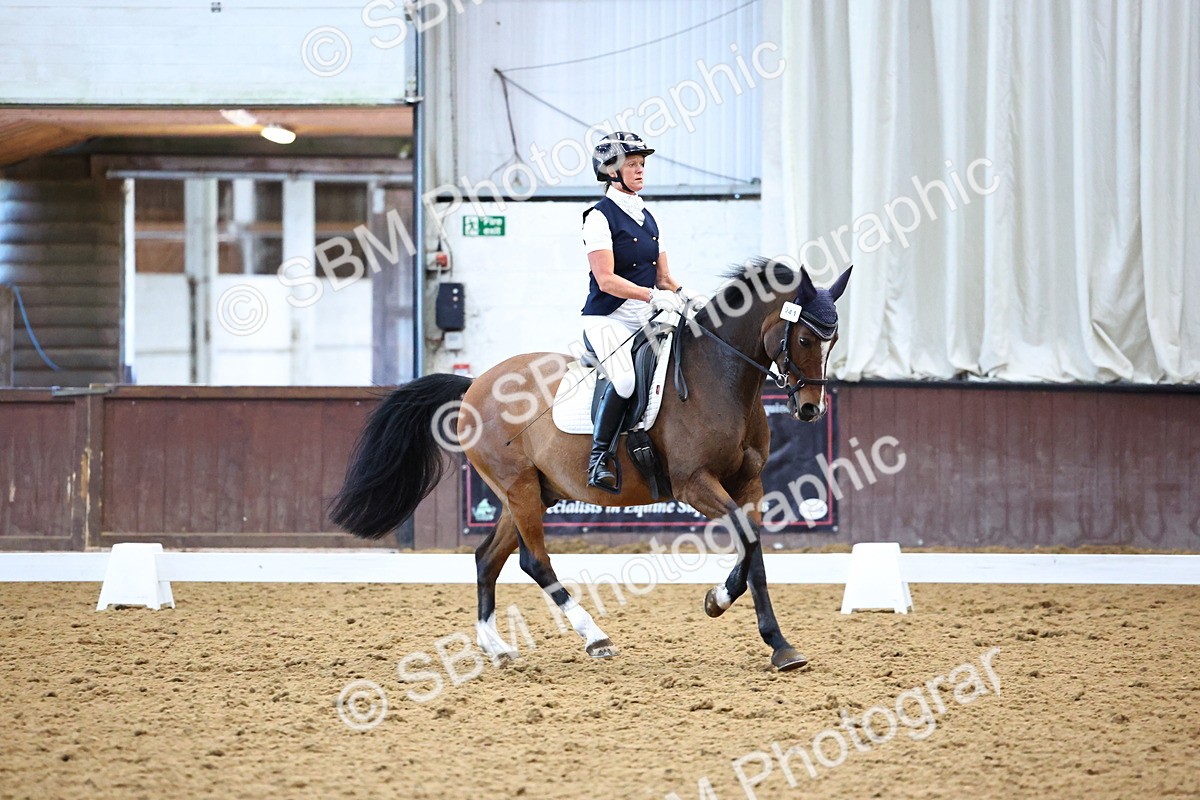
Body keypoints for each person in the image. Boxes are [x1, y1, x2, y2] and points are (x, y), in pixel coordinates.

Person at [580, 131, 690, 493]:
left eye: (642, 164)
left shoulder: (649, 218)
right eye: (632, 165)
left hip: (643, 317)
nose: (640, 170)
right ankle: (600, 458)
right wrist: (651, 297)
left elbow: (663, 277)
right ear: (611, 171)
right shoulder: (598, 218)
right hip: (607, 318)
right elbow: (606, 280)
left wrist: (687, 297)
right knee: (625, 381)